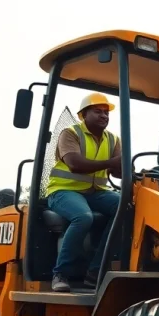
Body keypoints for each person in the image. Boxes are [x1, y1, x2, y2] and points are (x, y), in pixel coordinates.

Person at [44, 92, 123, 292]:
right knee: (83, 216)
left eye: (106, 113)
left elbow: (117, 171)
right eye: (98, 111)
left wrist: (127, 168)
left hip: (96, 192)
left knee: (125, 208)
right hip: (63, 190)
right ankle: (60, 273)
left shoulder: (113, 139)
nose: (104, 116)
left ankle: (95, 272)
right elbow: (75, 164)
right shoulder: (70, 134)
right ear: (84, 115)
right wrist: (111, 162)